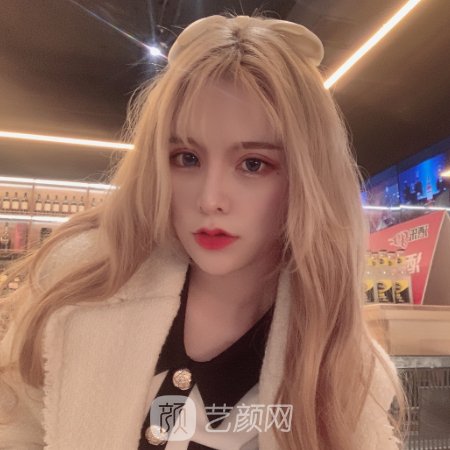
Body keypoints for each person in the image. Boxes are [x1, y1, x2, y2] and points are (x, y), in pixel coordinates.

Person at [0, 13, 408, 450]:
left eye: (254, 164)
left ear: (307, 178)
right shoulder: (80, 291)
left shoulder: (343, 365)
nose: (211, 199)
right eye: (187, 158)